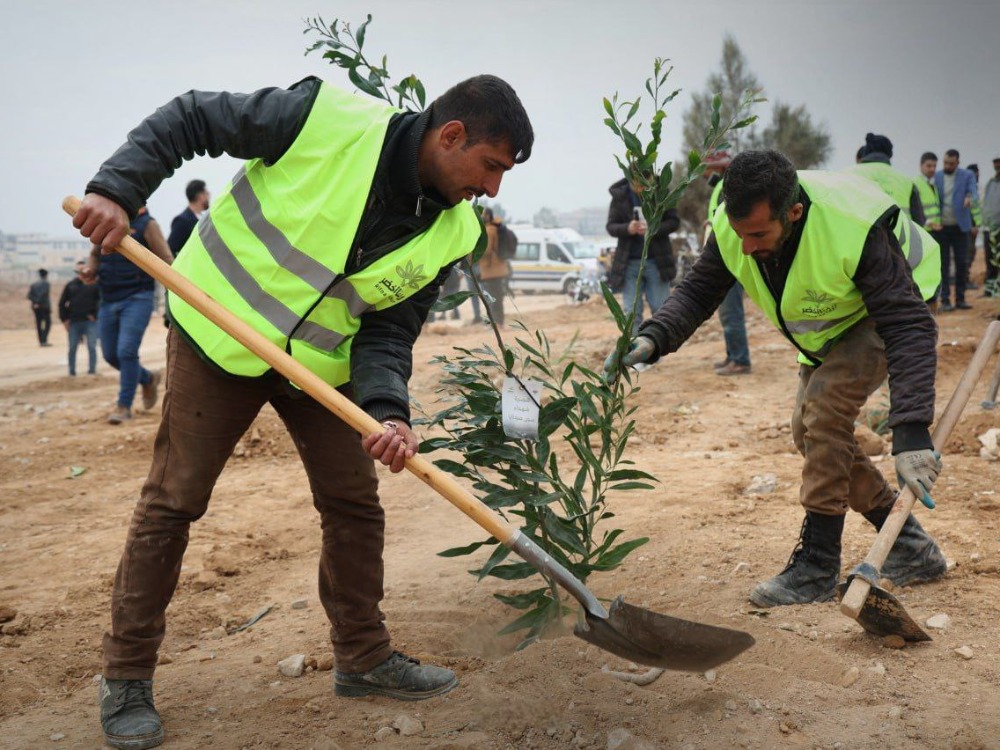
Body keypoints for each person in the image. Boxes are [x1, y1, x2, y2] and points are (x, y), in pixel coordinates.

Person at [71, 74, 532, 749]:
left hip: (320, 368)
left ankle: (364, 657)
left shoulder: (455, 232)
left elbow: (388, 329)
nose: (493, 189)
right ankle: (126, 676)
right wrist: (117, 189)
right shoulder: (326, 117)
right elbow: (194, 116)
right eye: (491, 166)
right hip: (216, 331)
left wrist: (388, 410)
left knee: (354, 502)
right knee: (174, 501)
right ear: (451, 135)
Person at [606, 150, 947, 608]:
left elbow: (906, 323)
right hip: (832, 323)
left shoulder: (852, 224)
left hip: (886, 310)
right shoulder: (736, 224)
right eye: (740, 233)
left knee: (825, 414)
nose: (745, 246)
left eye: (759, 235)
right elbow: (700, 287)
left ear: (794, 212)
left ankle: (817, 566)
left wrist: (910, 434)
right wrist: (653, 338)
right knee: (809, 433)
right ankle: (909, 546)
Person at [88, 206, 171, 425]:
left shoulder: (148, 225)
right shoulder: (107, 220)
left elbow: (166, 259)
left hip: (137, 297)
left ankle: (124, 406)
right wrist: (90, 270)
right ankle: (148, 378)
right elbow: (95, 255)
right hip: (108, 298)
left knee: (126, 352)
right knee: (110, 355)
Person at [606, 173, 680, 343]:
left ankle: (660, 348)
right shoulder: (620, 196)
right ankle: (634, 351)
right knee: (631, 312)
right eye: (637, 185)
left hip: (657, 261)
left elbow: (674, 221)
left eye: (645, 185)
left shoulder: (662, 192)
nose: (641, 190)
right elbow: (611, 226)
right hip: (629, 262)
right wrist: (627, 229)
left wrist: (654, 228)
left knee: (660, 308)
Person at [704, 150, 751, 376]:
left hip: (729, 260)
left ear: (720, 168)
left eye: (707, 169)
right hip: (725, 258)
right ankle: (733, 356)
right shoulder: (720, 188)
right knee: (727, 313)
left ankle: (740, 360)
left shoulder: (726, 188)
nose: (704, 174)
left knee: (731, 313)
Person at [934, 148, 979, 311]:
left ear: (957, 163)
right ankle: (945, 300)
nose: (947, 165)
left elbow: (974, 193)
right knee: (943, 264)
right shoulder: (937, 176)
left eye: (951, 163)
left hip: (961, 228)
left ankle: (960, 299)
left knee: (961, 263)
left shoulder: (967, 175)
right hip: (942, 228)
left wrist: (969, 198)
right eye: (945, 162)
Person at [848, 133, 925, 224]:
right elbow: (919, 221)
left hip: (855, 236)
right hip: (897, 237)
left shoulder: (846, 175)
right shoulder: (906, 181)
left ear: (866, 151)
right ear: (889, 154)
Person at [58, 260, 101, 375]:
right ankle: (71, 372)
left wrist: (96, 316)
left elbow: (100, 301)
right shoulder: (70, 285)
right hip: (74, 322)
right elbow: (62, 303)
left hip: (90, 322)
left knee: (92, 347)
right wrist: (64, 319)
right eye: (79, 270)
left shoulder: (94, 285)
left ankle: (92, 371)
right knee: (72, 348)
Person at [477, 206, 510, 326]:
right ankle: (498, 322)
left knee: (493, 299)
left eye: (482, 215)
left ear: (487, 216)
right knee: (497, 298)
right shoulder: (496, 228)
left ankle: (497, 323)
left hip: (492, 271)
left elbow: (486, 251)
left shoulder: (489, 230)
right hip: (499, 270)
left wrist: (475, 254)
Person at [167, 179, 210, 257]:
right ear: (200, 196)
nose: (209, 196)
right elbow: (170, 251)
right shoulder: (182, 221)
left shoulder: (202, 220)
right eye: (206, 193)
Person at [983, 157, 1000, 297]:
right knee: (990, 261)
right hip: (989, 228)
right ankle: (989, 291)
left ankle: (997, 291)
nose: (997, 165)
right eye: (995, 162)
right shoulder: (990, 183)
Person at [916, 152, 942, 232]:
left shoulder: (933, 184)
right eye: (929, 166)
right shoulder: (916, 183)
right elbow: (915, 208)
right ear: (921, 166)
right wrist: (928, 223)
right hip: (923, 229)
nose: (932, 169)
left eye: (934, 166)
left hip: (935, 229)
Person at [27, 268, 52, 346]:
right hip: (44, 307)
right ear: (46, 275)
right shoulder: (46, 284)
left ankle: (41, 341)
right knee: (47, 323)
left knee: (38, 324)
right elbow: (43, 294)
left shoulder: (33, 284)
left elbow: (29, 296)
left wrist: (35, 302)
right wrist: (38, 302)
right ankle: (44, 340)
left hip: (36, 308)